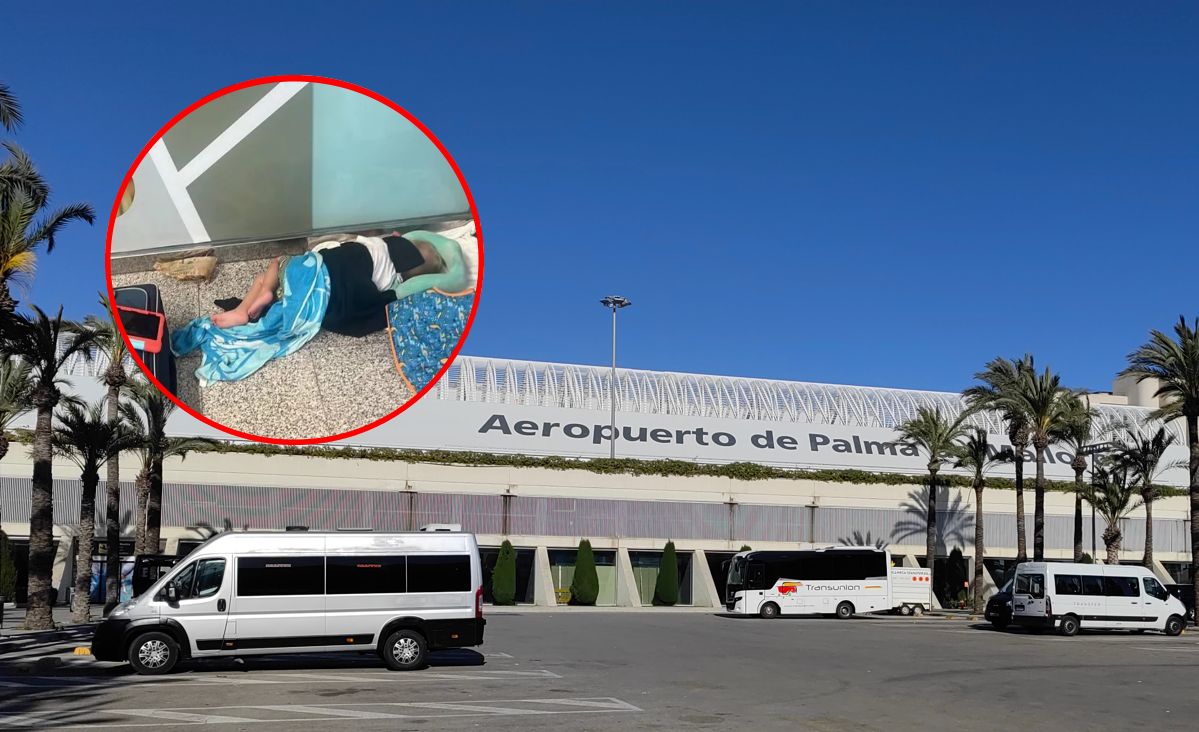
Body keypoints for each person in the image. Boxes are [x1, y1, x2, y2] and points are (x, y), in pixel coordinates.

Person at [211, 231, 463, 336]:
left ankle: (249, 305)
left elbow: (344, 247)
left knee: (275, 266)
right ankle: (267, 296)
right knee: (284, 286)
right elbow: (390, 296)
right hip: (330, 283)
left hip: (319, 266)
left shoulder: (378, 243)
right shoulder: (396, 280)